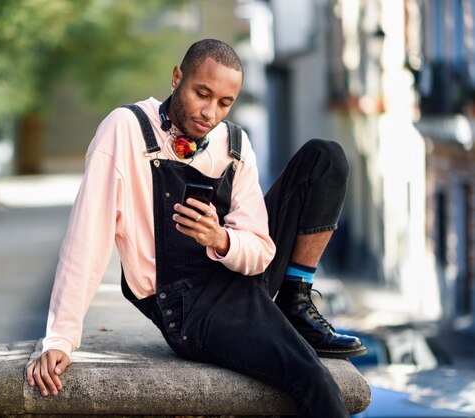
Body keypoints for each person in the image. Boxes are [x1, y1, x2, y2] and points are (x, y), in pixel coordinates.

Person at [27, 38, 366, 417]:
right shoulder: (125, 129)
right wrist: (60, 338)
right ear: (177, 78)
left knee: (325, 157)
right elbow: (86, 240)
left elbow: (260, 251)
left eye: (224, 103)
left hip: (241, 274)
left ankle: (294, 303)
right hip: (188, 306)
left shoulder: (234, 143)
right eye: (202, 93)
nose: (210, 113)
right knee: (313, 379)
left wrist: (220, 239)